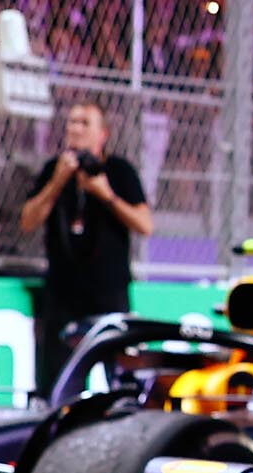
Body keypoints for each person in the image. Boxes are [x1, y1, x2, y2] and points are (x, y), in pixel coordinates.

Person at [19, 98, 153, 391]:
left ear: (102, 134)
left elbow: (145, 224)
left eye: (84, 123)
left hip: (109, 292)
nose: (76, 129)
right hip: (63, 293)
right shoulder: (53, 170)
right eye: (72, 122)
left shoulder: (118, 171)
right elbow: (28, 220)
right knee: (54, 382)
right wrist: (56, 183)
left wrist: (106, 195)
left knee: (120, 379)